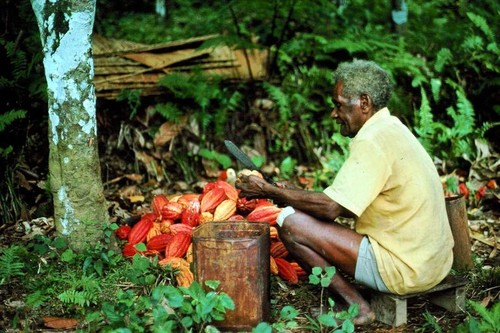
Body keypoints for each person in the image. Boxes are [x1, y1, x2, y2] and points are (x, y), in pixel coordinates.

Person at [235, 59, 454, 325]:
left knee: (289, 223)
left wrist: (271, 192)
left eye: (339, 104)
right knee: (298, 214)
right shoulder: (392, 128)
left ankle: (358, 308)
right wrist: (288, 193)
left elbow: (331, 208)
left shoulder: (371, 141)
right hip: (435, 264)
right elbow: (344, 203)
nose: (334, 113)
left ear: (364, 103)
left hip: (405, 270)